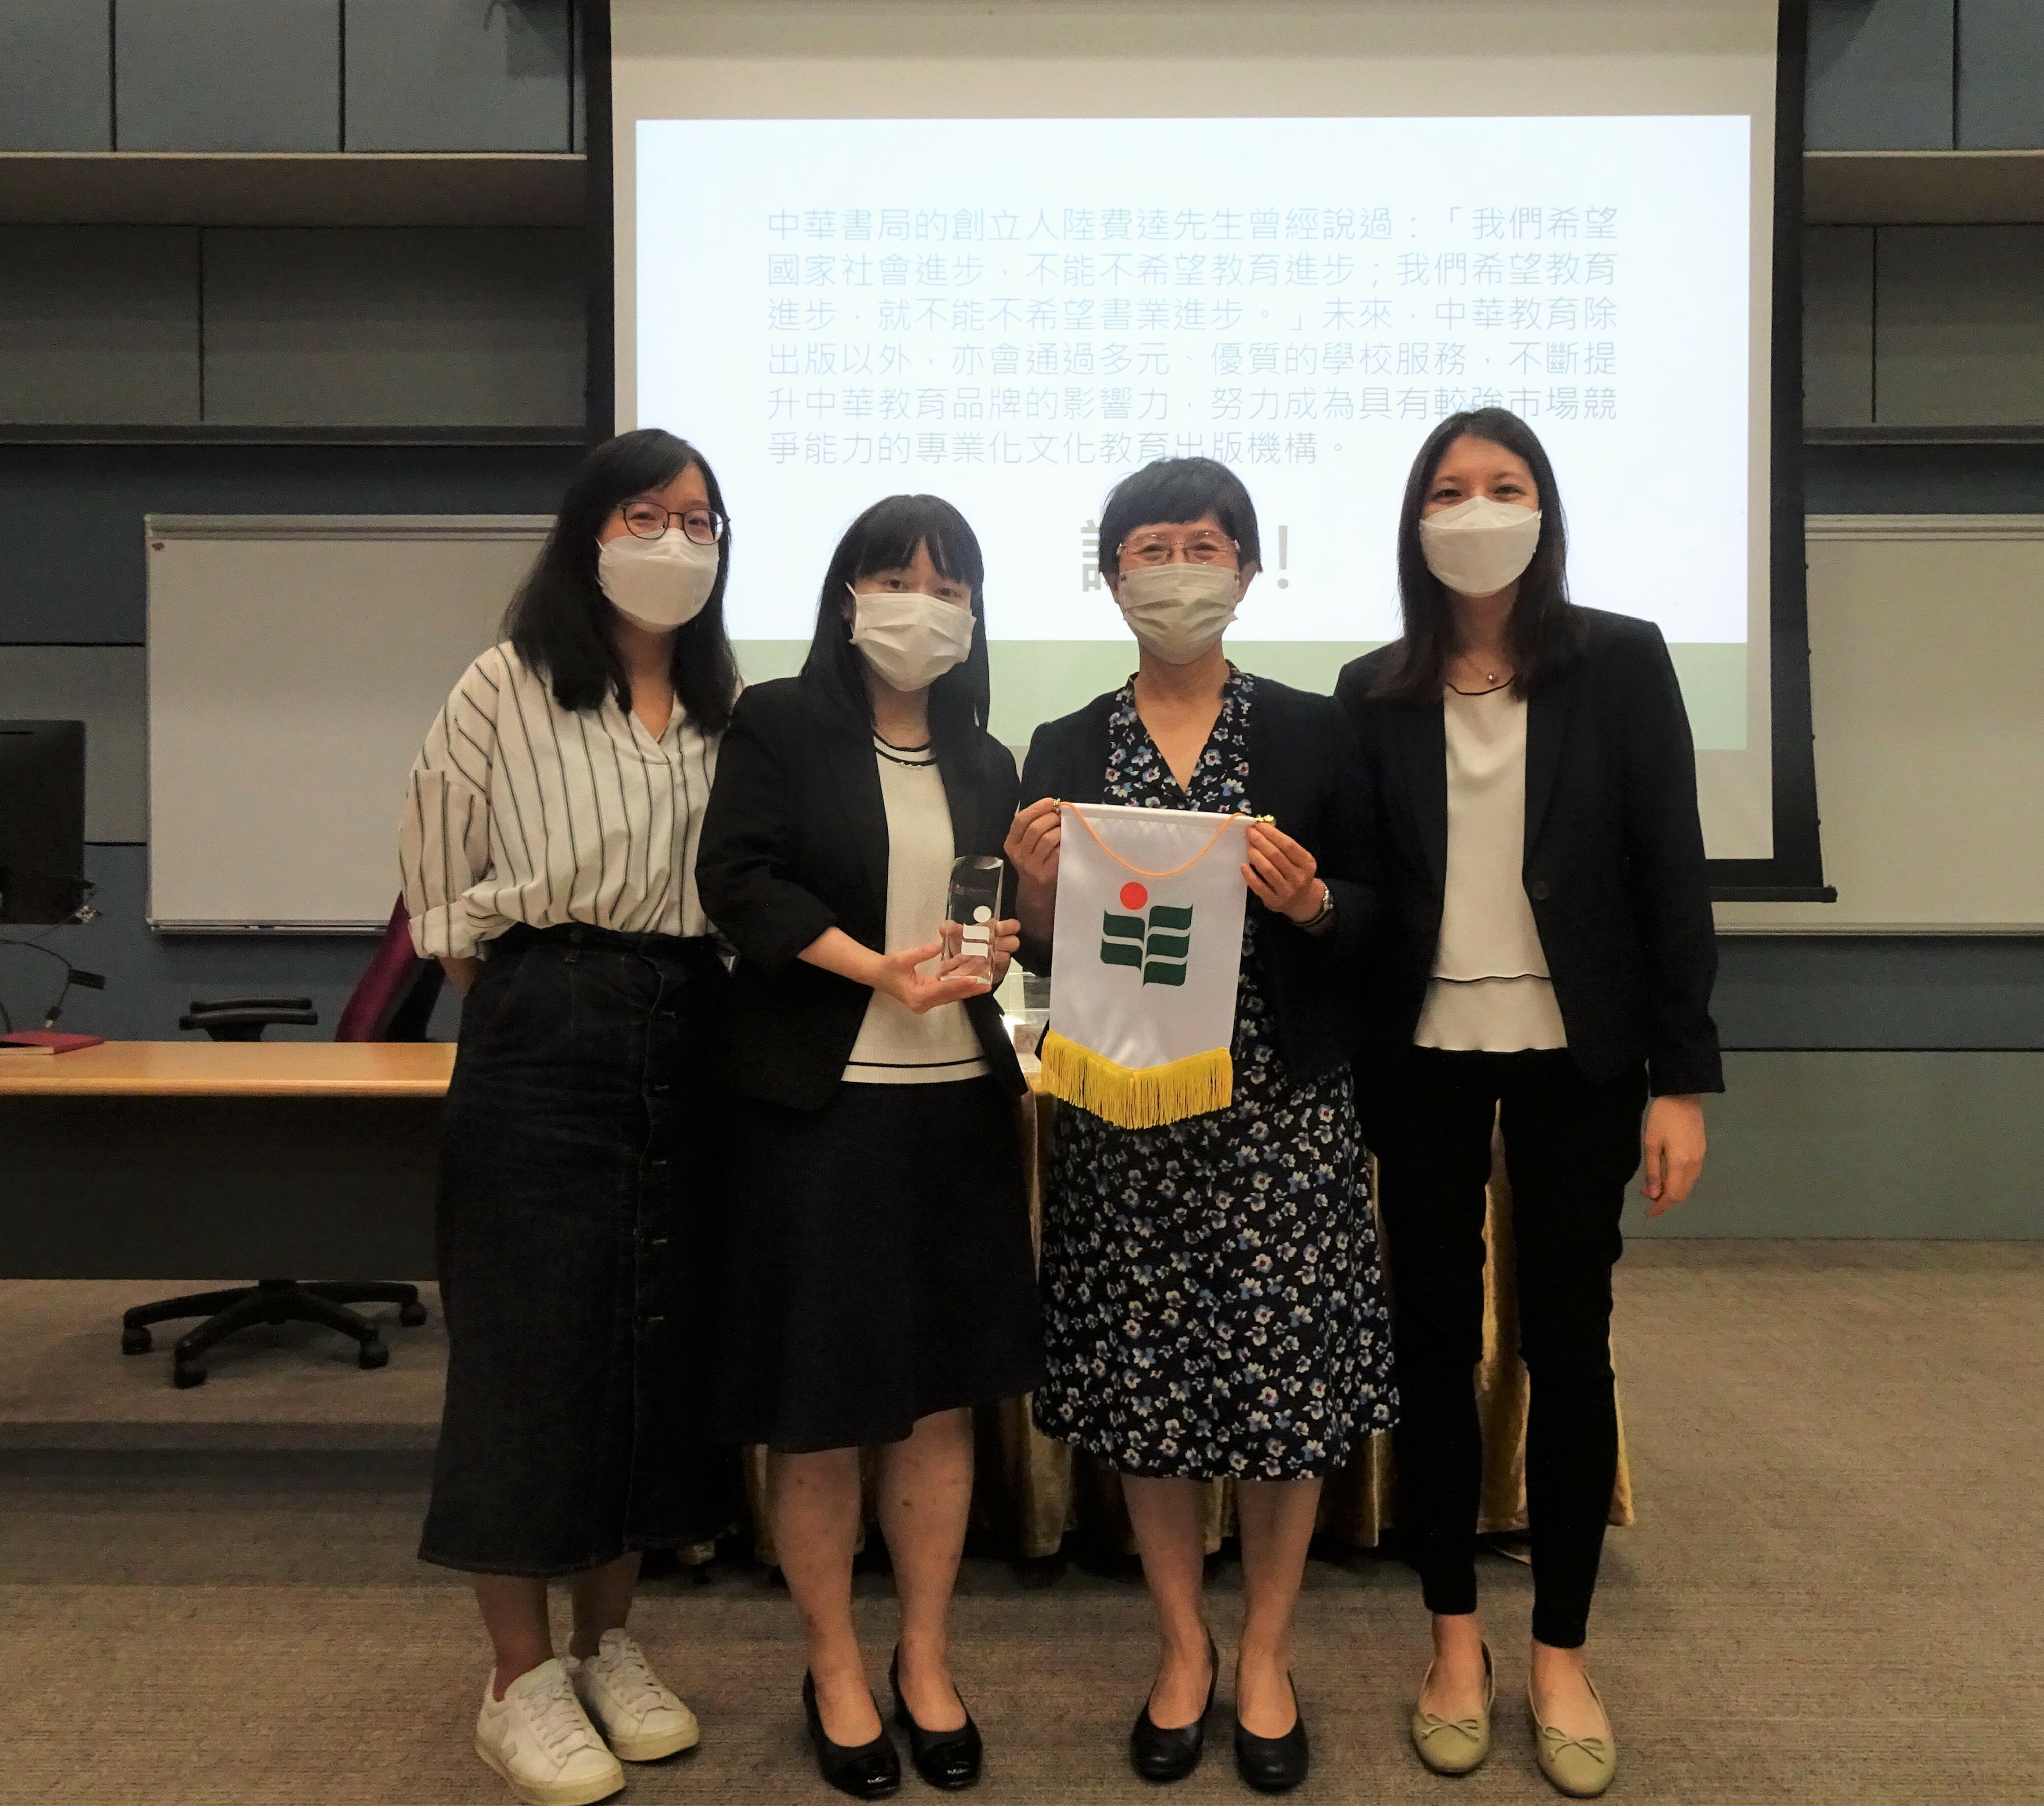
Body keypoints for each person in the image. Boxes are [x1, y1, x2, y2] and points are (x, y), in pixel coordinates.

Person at [1334, 407, 1721, 1799]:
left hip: (1579, 1054)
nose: (1476, 507)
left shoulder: (1616, 661)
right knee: (1430, 1348)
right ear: (1413, 518)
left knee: (1571, 1343)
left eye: (1503, 486)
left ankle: (1558, 1646)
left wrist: (1682, 1072)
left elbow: (1668, 869)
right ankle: (1454, 1640)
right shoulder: (1371, 685)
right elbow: (1368, 895)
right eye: (1449, 488)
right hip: (1422, 1056)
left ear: (1544, 511)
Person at [1005, 457, 1395, 1794]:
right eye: (1149, 544)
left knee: (1284, 1387)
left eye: (1203, 541)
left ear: (1246, 568)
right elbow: (1045, 947)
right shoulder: (1062, 745)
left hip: (1280, 1106)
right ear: (1109, 573)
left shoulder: (1314, 730)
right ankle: (1181, 1643)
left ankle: (1266, 1648)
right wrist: (1037, 893)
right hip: (1125, 1111)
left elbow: (1389, 903)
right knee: (1148, 1383)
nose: (1176, 565)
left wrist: (1315, 903)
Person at [397, 428, 742, 1806]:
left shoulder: (728, 709)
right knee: (531, 1351)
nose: (673, 542)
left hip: (689, 1026)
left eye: (701, 521)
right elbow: (443, 882)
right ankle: (514, 1674)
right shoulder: (508, 683)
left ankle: (610, 1642)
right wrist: (556, 988)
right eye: (645, 514)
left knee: (649, 1347)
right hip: (548, 1024)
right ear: (587, 531)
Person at [698, 494, 1043, 1800]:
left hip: (953, 1102)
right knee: (825, 1409)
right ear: (847, 595)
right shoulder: (781, 723)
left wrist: (991, 950)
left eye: (948, 581)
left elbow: (982, 920)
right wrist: (872, 971)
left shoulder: (989, 757)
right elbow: (737, 878)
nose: (922, 600)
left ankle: (926, 1658)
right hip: (820, 1105)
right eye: (895, 575)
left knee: (939, 1403)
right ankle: (833, 1662)